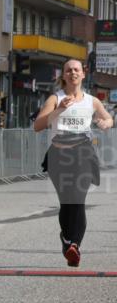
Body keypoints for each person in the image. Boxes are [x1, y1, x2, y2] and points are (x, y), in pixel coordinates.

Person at [33, 59, 113, 267]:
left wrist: (106, 122)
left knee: (78, 199)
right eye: (69, 70)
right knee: (67, 202)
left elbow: (109, 119)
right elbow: (38, 125)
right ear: (64, 76)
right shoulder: (55, 98)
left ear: (83, 74)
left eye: (76, 70)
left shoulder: (92, 101)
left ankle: (74, 245)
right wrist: (58, 109)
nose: (73, 73)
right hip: (59, 156)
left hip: (84, 154)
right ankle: (66, 240)